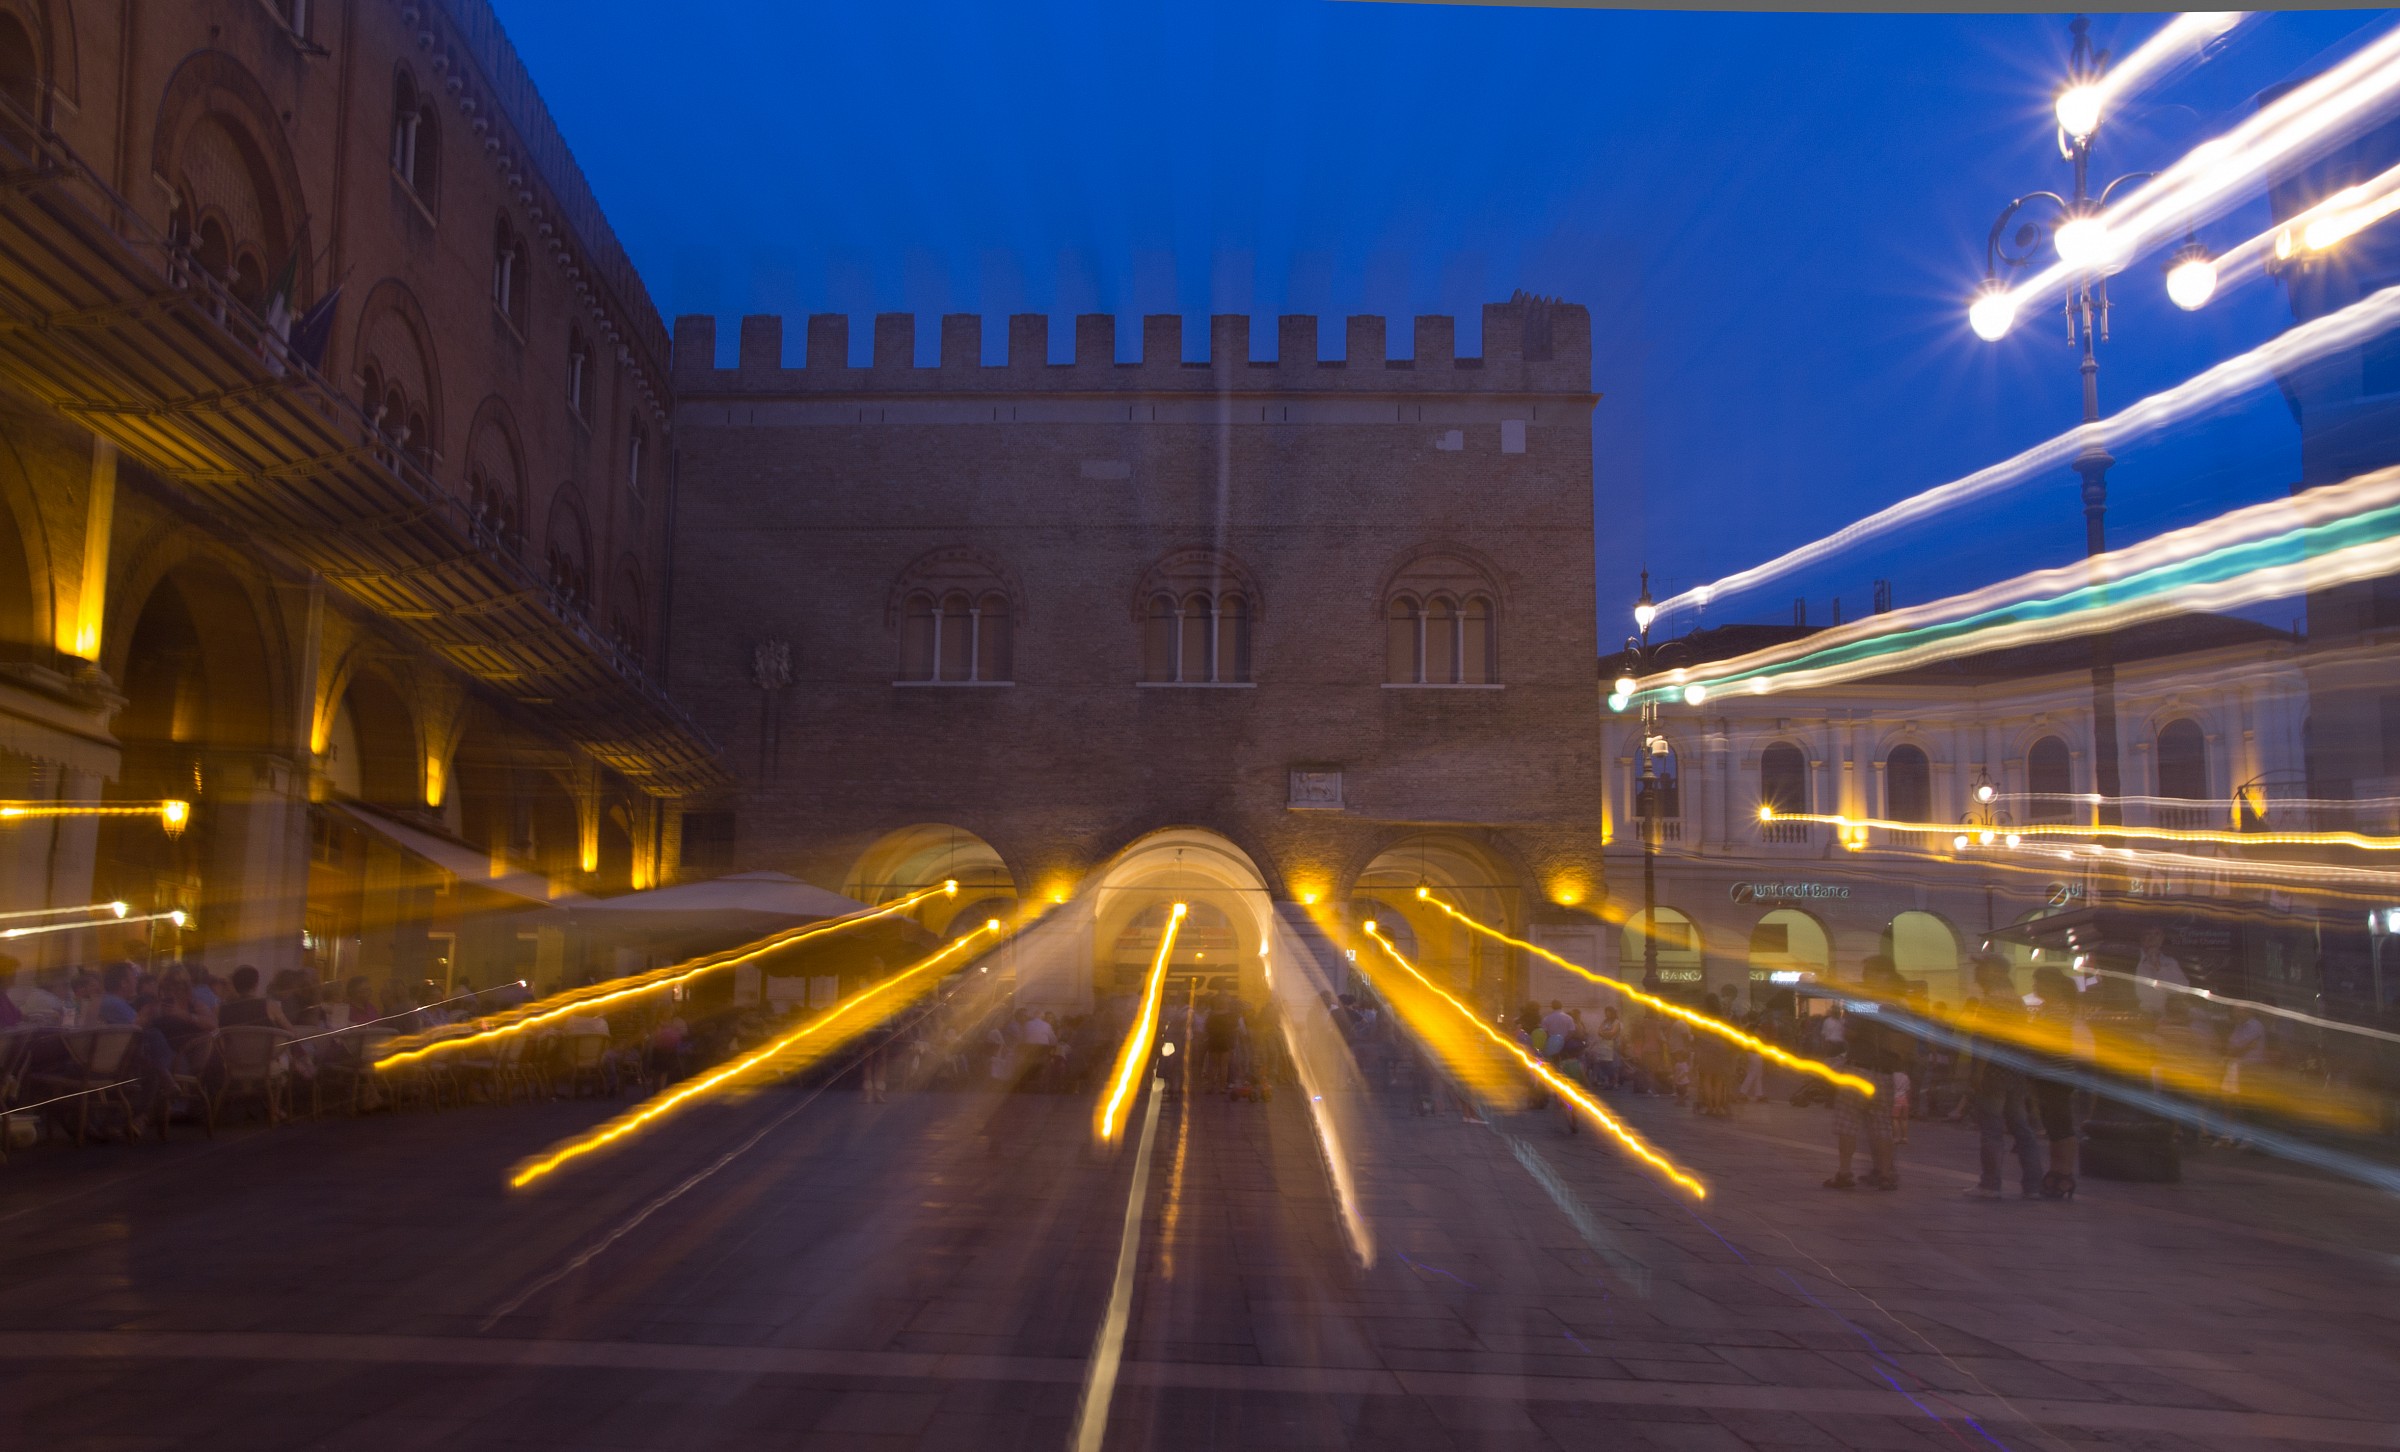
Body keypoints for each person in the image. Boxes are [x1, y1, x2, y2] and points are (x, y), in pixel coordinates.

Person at [1962, 956, 2042, 1200]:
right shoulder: (2016, 1000)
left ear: (1995, 971)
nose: (1977, 973)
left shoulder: (1991, 1001)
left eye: (1981, 968)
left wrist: (1976, 1072)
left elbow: (1987, 1039)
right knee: (2021, 1127)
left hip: (1993, 1072)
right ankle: (2033, 1185)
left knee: (1992, 1129)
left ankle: (1990, 1184)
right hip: (2014, 1070)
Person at [1826, 957, 1907, 1191]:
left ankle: (1844, 1172)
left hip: (1859, 1070)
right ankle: (1885, 1173)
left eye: (1867, 972)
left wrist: (1847, 1020)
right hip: (1886, 1074)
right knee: (1881, 1125)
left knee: (1847, 1122)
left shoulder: (1865, 1003)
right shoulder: (1898, 1005)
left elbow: (1850, 1033)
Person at [2027, 965, 2084, 1200]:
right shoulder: (2048, 1009)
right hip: (2048, 1074)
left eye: (2038, 982)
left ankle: (2065, 1173)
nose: (2035, 987)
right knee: (2053, 1127)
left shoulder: (2057, 1011)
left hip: (2057, 1074)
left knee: (2061, 1127)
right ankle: (2056, 1171)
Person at [2132, 928, 2189, 1017]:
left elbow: (2182, 990)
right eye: (2148, 934)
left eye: (2157, 934)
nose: (2152, 938)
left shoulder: (2170, 962)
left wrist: (2157, 966)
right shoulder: (2130, 959)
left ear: (2162, 939)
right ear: (2142, 938)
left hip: (2169, 1016)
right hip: (2139, 1015)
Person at [218, 965, 294, 1030]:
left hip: (233, 1047)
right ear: (255, 985)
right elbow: (291, 1032)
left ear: (234, 985)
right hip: (265, 1047)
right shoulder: (270, 1006)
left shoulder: (223, 1010)